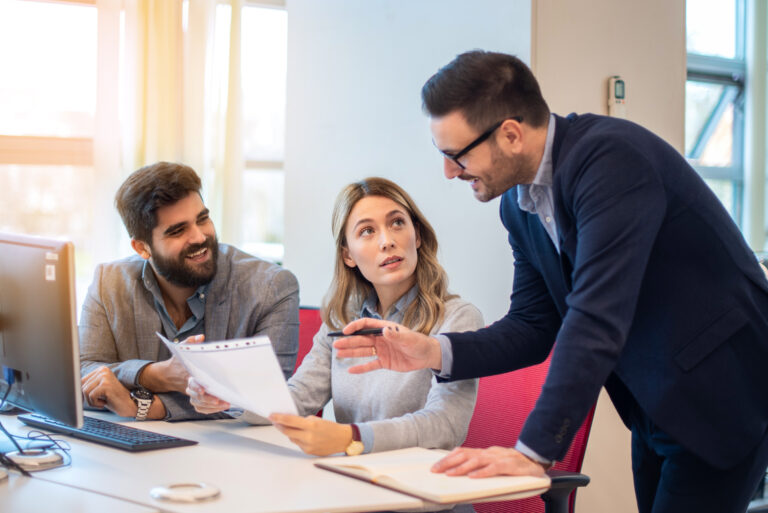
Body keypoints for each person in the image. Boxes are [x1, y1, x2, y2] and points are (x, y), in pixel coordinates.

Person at [333, 51, 768, 513]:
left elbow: (596, 317)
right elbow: (533, 325)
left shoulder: (612, 163)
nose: (449, 172)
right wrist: (432, 351)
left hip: (723, 389)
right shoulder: (518, 205)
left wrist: (533, 452)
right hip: (655, 400)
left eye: (455, 155)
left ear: (511, 135)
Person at [188, 177, 482, 463]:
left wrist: (351, 437)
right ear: (348, 255)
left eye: (397, 223)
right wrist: (228, 398)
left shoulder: (457, 318)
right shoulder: (341, 320)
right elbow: (298, 398)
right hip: (353, 486)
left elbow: (446, 425)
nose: (387, 241)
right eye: (367, 231)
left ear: (416, 235)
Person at [79, 162, 299, 421]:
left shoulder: (271, 287)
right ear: (142, 248)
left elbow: (266, 399)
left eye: (203, 219)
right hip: (129, 451)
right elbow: (82, 372)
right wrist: (155, 375)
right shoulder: (109, 283)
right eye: (177, 230)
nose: (199, 237)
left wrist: (142, 406)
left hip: (227, 454)